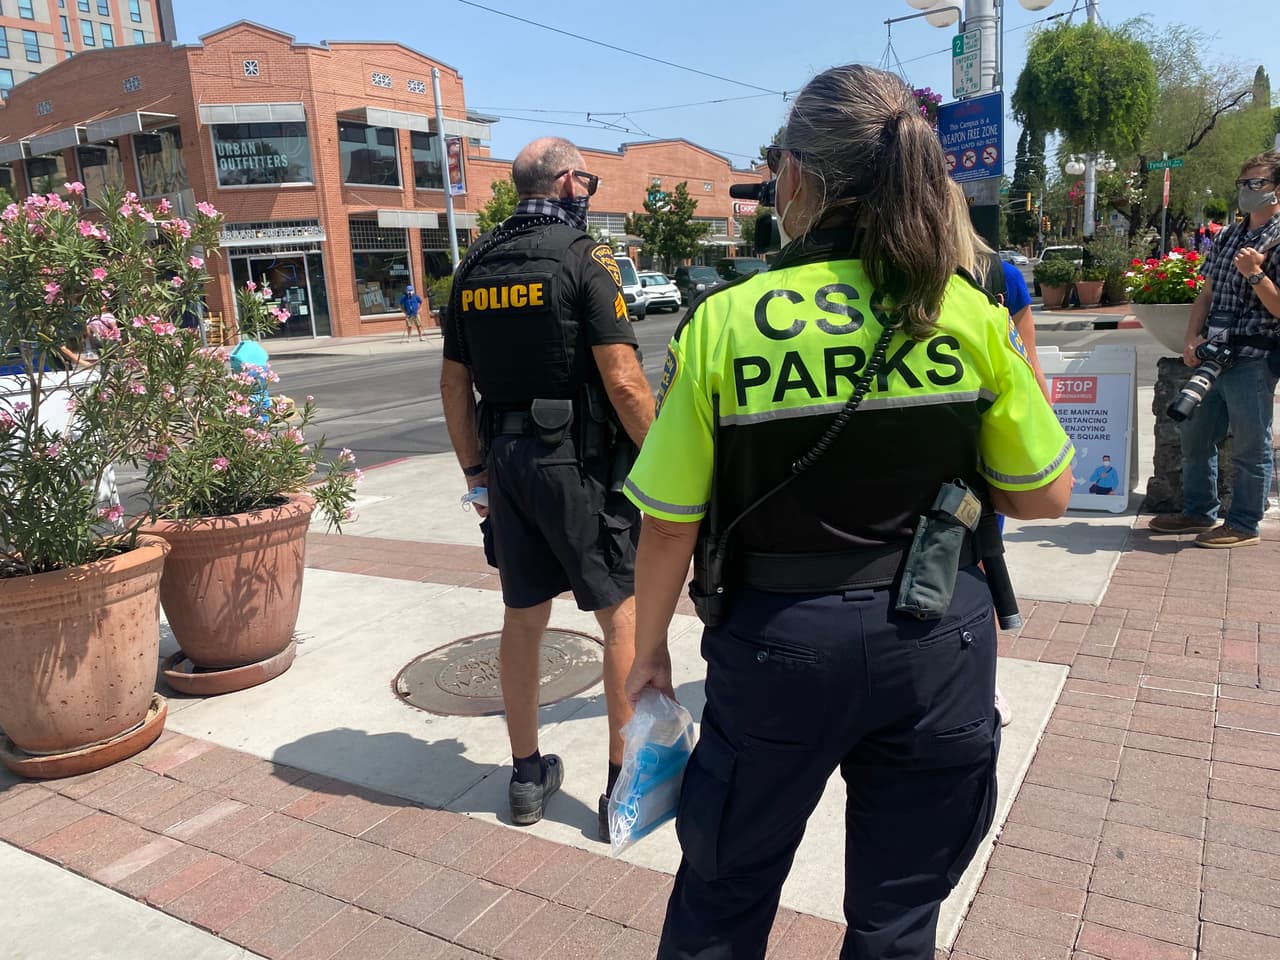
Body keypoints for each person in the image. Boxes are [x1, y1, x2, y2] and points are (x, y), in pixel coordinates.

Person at [622, 64, 1074, 960]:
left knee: (724, 893)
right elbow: (1045, 495)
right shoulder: (966, 310)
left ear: (797, 174)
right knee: (898, 915)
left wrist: (646, 656)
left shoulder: (724, 320)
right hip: (937, 639)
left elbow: (670, 517)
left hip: (774, 646)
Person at [439, 136, 654, 837]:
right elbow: (623, 380)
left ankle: (526, 776)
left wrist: (476, 473)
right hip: (578, 467)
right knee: (618, 613)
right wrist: (663, 461)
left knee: (523, 615)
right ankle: (623, 786)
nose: (586, 190)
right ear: (567, 183)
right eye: (584, 180)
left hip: (505, 463)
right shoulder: (584, 256)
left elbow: (452, 384)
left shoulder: (472, 264)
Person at [948, 181, 1048, 730]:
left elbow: (1027, 361)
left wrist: (1036, 434)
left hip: (982, 442)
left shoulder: (997, 274)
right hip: (937, 438)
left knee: (979, 558)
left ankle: (982, 677)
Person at [1149, 151, 1280, 548]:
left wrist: (1255, 274)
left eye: (1256, 184)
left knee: (1250, 444)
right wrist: (1191, 338)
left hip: (1253, 358)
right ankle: (1199, 512)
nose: (1247, 191)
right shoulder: (1227, 235)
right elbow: (1205, 293)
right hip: (1213, 352)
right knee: (1195, 435)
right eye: (1244, 184)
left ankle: (1243, 524)